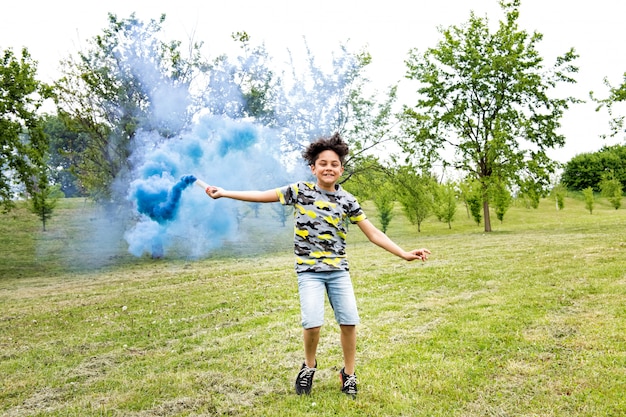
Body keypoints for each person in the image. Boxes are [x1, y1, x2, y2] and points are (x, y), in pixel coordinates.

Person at [205, 132, 431, 397]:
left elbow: (373, 233)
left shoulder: (347, 200)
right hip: (309, 272)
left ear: (341, 169)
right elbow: (261, 195)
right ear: (313, 168)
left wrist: (404, 254)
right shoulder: (300, 191)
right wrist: (224, 193)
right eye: (322, 163)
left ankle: (348, 374)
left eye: (334, 164)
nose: (328, 168)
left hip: (338, 272)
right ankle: (308, 367)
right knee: (312, 324)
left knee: (349, 323)